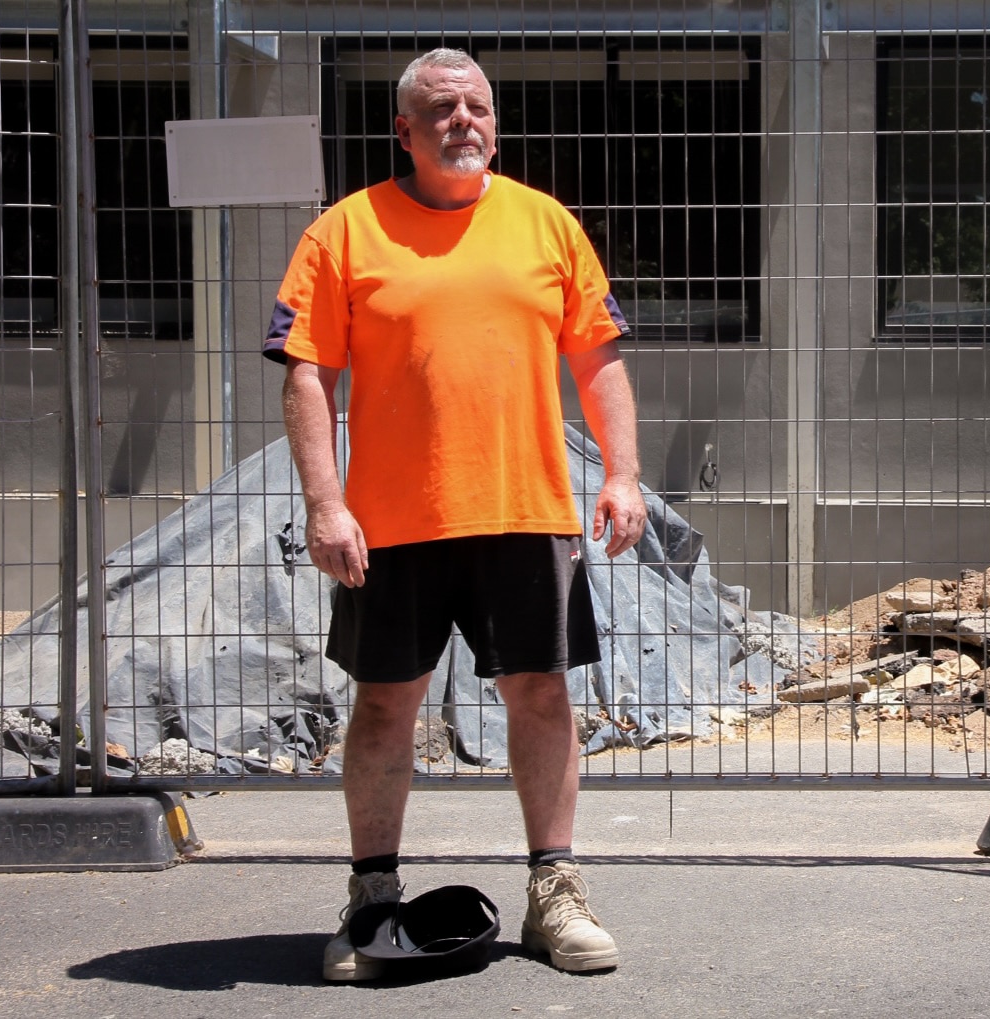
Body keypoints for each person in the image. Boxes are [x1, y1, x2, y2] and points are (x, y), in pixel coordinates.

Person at [263, 47, 645, 980]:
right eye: (439, 108)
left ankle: (555, 890)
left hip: (526, 510)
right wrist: (324, 504)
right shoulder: (344, 233)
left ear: (496, 124)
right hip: (391, 523)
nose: (461, 120)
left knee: (542, 695)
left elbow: (598, 358)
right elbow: (307, 371)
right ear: (405, 130)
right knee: (385, 702)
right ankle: (373, 896)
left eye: (476, 106)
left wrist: (623, 476)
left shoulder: (546, 224)